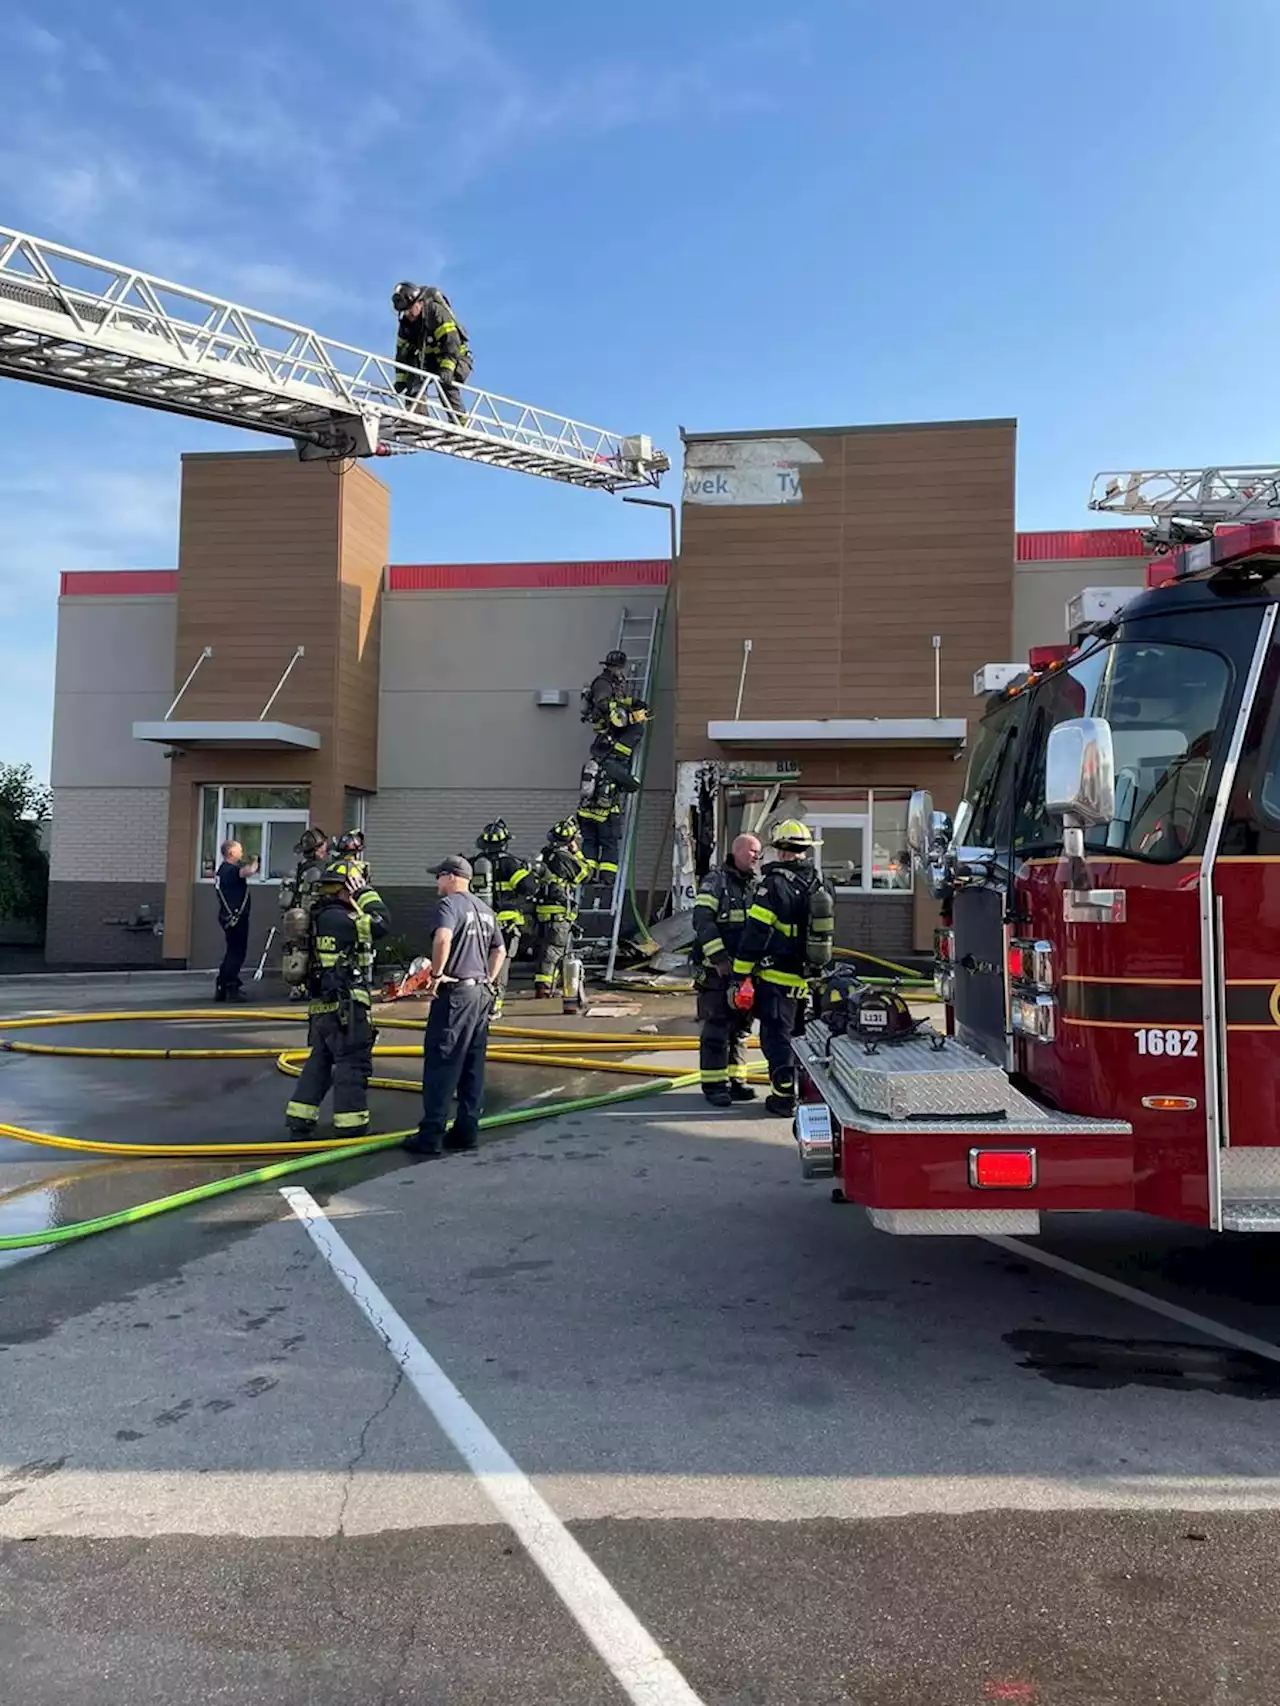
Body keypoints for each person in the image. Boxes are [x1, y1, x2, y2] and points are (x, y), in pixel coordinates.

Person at [404, 856, 505, 1157]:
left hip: (455, 996)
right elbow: (499, 949)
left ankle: (431, 1136)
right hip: (480, 996)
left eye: (439, 876)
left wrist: (436, 974)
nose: (436, 882)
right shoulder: (486, 910)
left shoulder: (449, 906)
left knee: (442, 1064)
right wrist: (489, 977)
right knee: (472, 1066)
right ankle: (466, 1132)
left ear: (450, 877)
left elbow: (443, 938)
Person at [731, 820, 833, 1117]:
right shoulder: (821, 881)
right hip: (809, 979)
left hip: (776, 980)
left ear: (781, 850)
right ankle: (806, 1095)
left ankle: (782, 1099)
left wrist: (740, 972)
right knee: (802, 1039)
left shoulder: (773, 885)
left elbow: (756, 933)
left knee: (778, 1040)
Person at [285, 858, 390, 1137]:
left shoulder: (320, 917)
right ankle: (351, 1126)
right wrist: (366, 893)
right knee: (352, 1064)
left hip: (322, 1008)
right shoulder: (342, 919)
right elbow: (382, 924)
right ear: (345, 889)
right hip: (346, 1007)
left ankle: (300, 1117)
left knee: (320, 1062)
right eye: (352, 889)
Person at [692, 833, 762, 1107]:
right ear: (739, 851)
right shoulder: (715, 881)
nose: (757, 856)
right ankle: (714, 1085)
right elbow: (702, 921)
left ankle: (736, 1081)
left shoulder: (755, 885)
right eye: (753, 851)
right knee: (717, 1028)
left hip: (743, 971)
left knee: (740, 1029)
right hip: (715, 971)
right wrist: (720, 958)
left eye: (759, 852)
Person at [473, 820, 538, 1017]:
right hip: (507, 923)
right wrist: (528, 871)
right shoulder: (510, 863)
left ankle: (477, 1002)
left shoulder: (475, 862)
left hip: (480, 922)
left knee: (479, 962)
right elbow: (529, 888)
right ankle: (494, 1004)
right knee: (501, 963)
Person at [391, 282, 472, 420]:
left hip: (455, 357)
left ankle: (459, 420)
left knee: (446, 383)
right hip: (429, 360)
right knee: (414, 380)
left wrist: (448, 367)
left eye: (409, 310)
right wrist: (400, 380)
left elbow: (451, 343)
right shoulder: (406, 324)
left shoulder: (435, 313)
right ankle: (416, 419)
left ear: (418, 303)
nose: (407, 315)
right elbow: (401, 354)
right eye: (403, 311)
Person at [533, 819, 590, 998]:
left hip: (542, 911)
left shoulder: (546, 853)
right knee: (555, 950)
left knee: (547, 949)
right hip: (559, 912)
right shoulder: (564, 857)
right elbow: (584, 874)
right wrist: (577, 852)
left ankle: (549, 985)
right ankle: (544, 987)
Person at [280, 828, 329, 1001]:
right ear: (319, 848)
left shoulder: (298, 869)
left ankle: (297, 987)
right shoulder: (323, 868)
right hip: (316, 916)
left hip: (296, 917)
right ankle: (314, 985)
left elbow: (285, 901)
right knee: (317, 951)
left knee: (298, 949)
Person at [214, 839, 259, 1003]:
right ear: (231, 853)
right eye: (239, 851)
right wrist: (255, 861)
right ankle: (231, 987)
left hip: (228, 916)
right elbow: (248, 872)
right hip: (236, 917)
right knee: (237, 952)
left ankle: (222, 985)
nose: (241, 854)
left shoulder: (222, 871)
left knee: (232, 951)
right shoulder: (229, 870)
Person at [577, 767, 624, 895]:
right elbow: (633, 785)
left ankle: (588, 875)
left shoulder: (589, 768)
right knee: (609, 846)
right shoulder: (614, 769)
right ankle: (607, 877)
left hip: (585, 815)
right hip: (606, 818)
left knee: (589, 843)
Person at [583, 649, 630, 729]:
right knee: (634, 730)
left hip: (616, 718)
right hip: (606, 719)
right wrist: (620, 705)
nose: (621, 670)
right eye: (619, 668)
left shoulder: (617, 682)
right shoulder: (603, 682)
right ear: (612, 667)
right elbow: (602, 704)